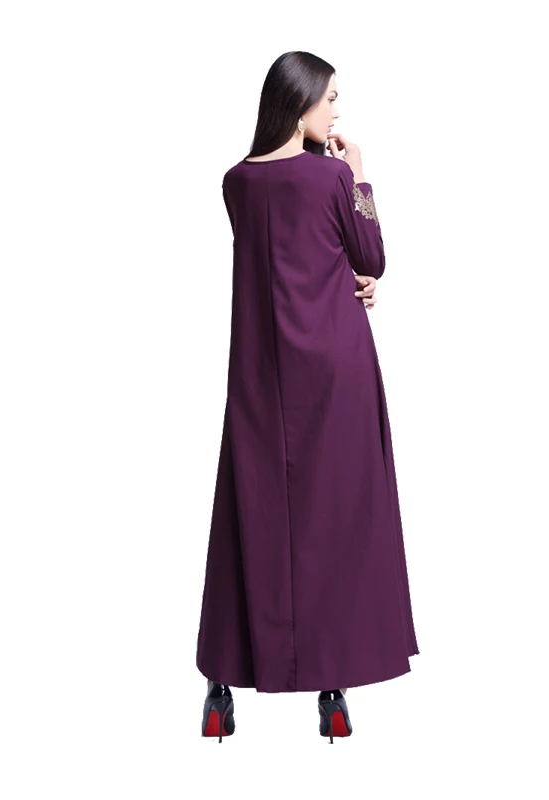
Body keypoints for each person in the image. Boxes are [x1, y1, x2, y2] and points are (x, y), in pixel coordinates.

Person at [196, 51, 419, 742]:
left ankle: (220, 691)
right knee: (338, 523)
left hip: (261, 378)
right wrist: (360, 176)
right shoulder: (332, 177)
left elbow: (285, 256)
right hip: (336, 372)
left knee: (250, 518)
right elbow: (369, 256)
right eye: (330, 99)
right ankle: (333, 692)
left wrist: (340, 268)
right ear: (299, 106)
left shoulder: (236, 183)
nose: (337, 112)